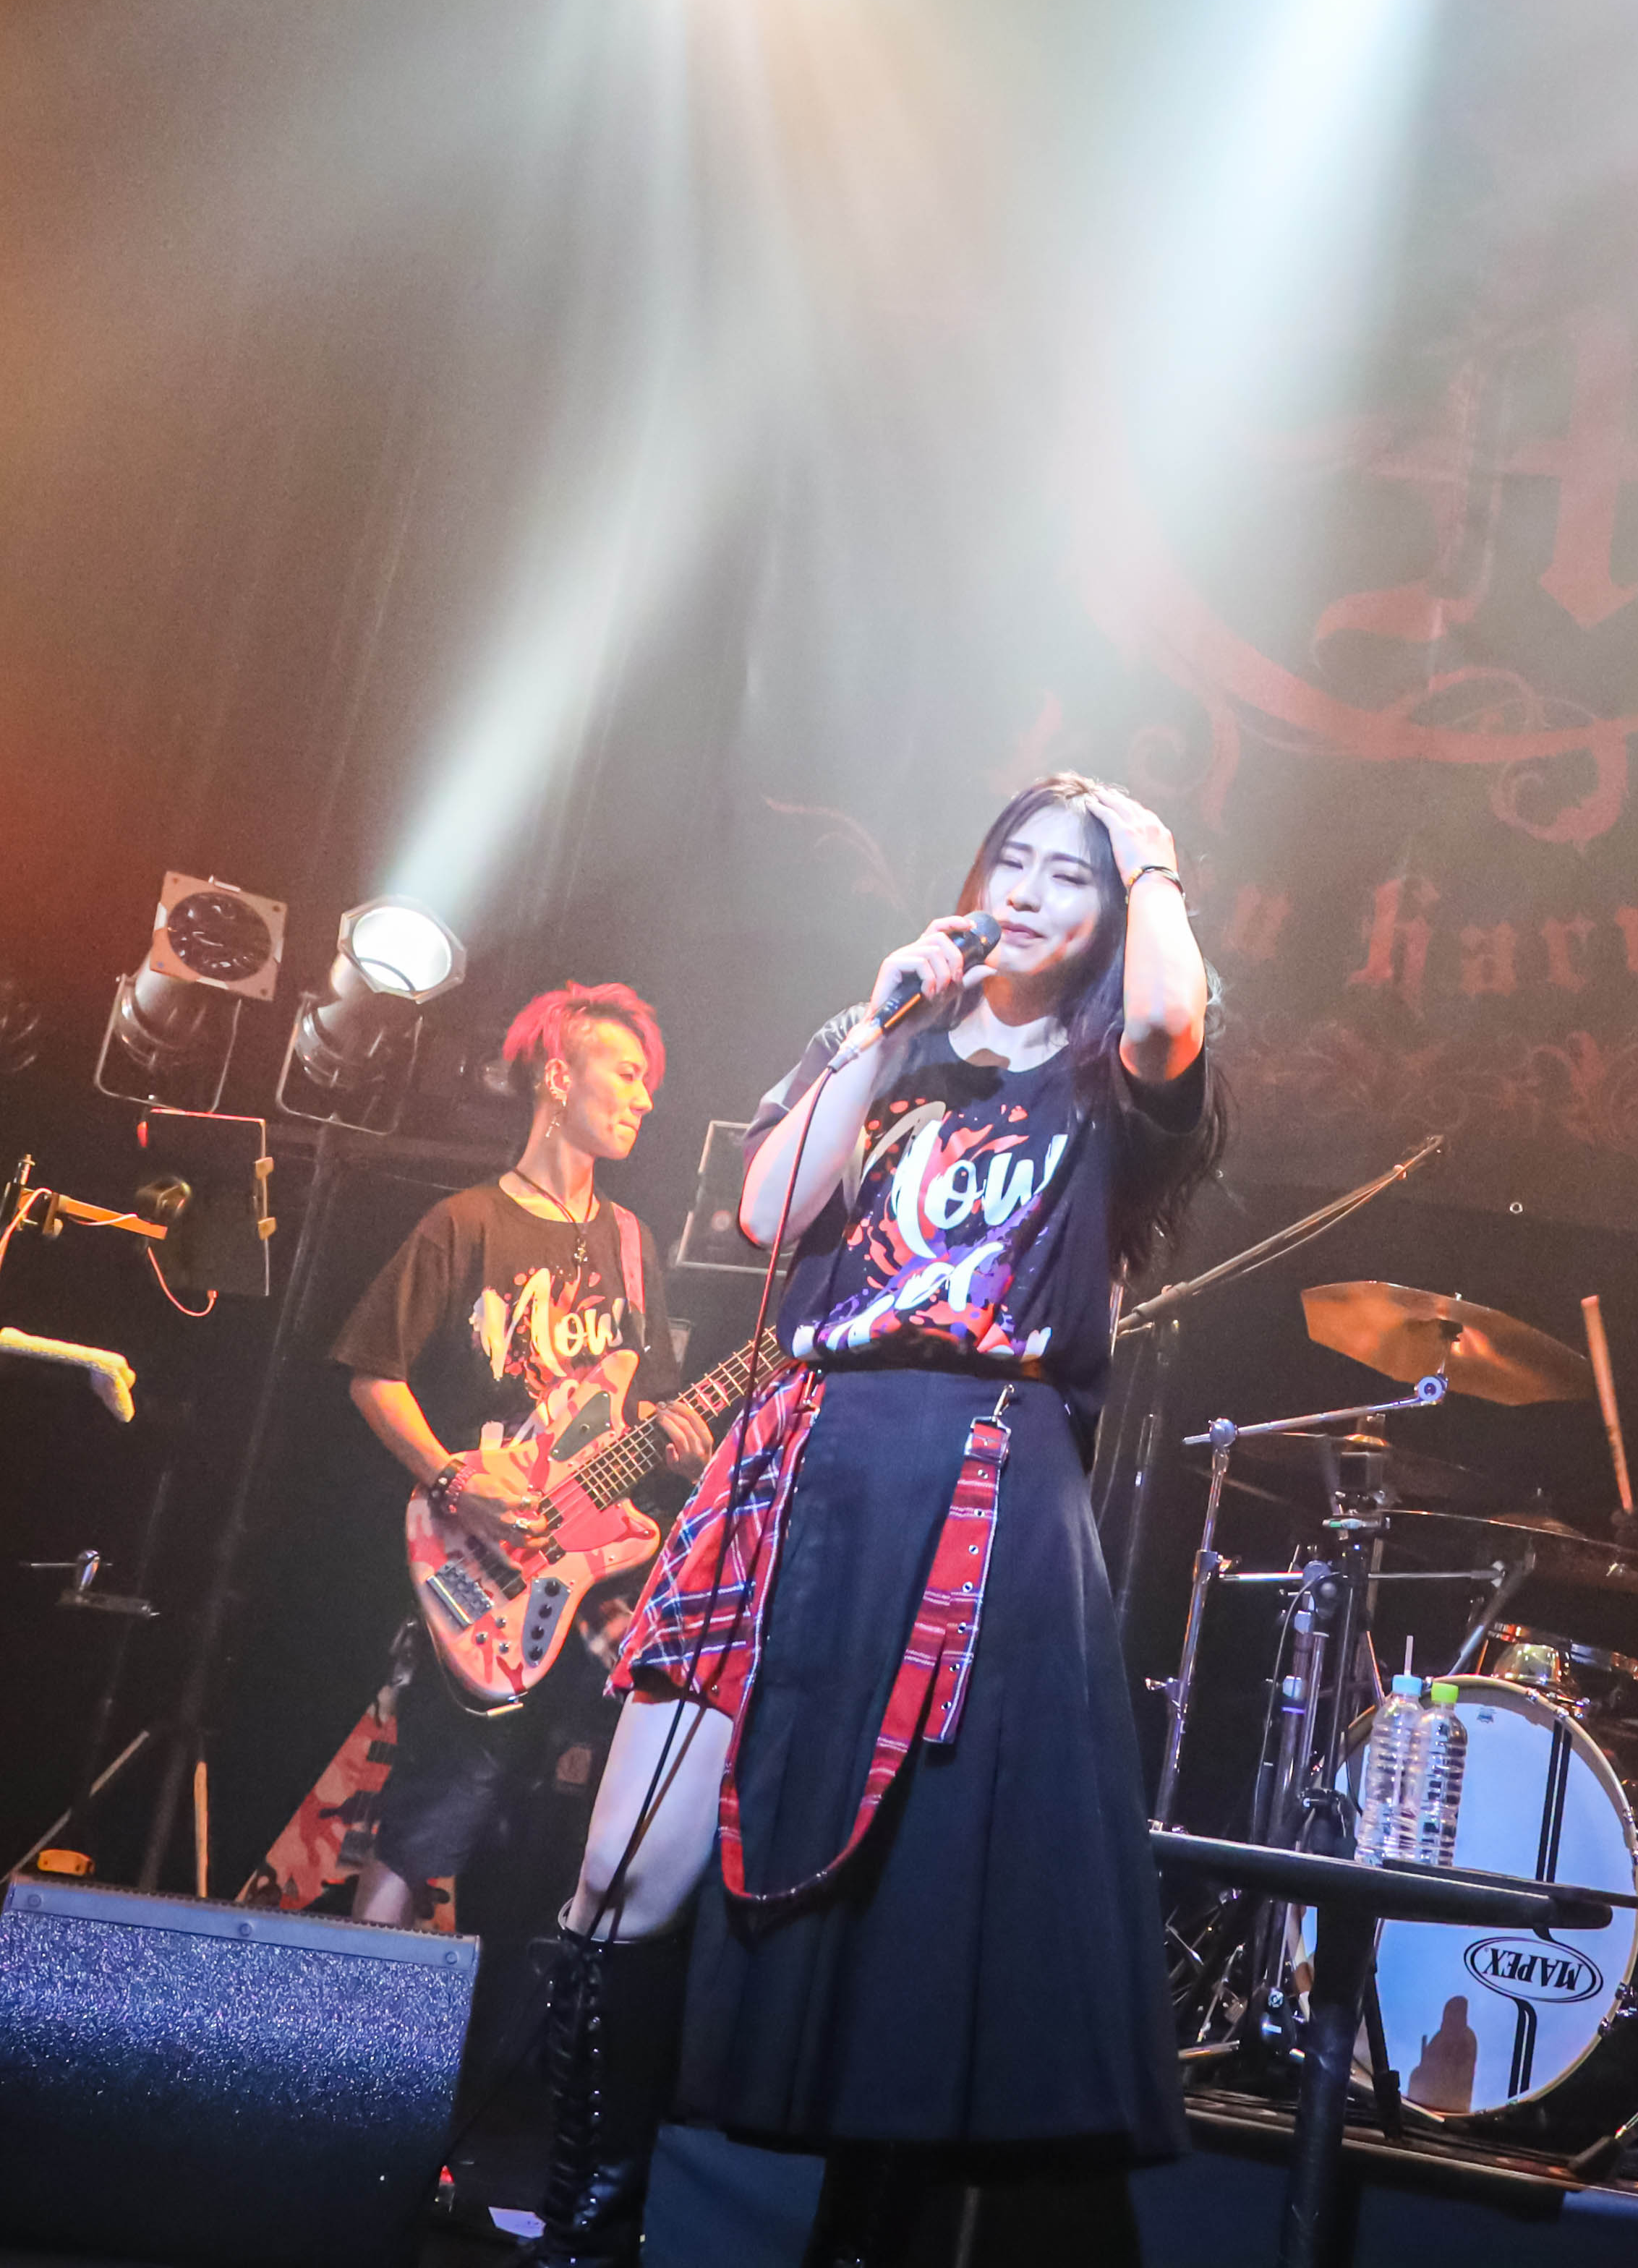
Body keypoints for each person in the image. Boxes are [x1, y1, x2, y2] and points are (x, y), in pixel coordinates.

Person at [503, 776, 1215, 2268]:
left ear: (1112, 914)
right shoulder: (892, 1043)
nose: (1027, 891)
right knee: (622, 1872)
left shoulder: (1110, 1084)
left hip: (976, 1483)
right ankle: (586, 2232)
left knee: (911, 1924)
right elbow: (772, 1214)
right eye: (1011, 860)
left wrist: (1150, 856)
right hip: (795, 1460)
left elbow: (1167, 1019)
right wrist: (881, 1026)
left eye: (1068, 876)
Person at [261, 983, 711, 1952]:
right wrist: (451, 1479)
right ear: (558, 1078)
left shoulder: (633, 1245)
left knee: (647, 1734)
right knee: (450, 1784)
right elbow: (372, 1375)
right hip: (482, 1554)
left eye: (649, 1081)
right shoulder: (463, 1224)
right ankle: (360, 1991)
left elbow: (644, 1408)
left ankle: (569, 1982)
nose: (644, 1098)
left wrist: (681, 1444)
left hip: (600, 1559)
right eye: (626, 1073)